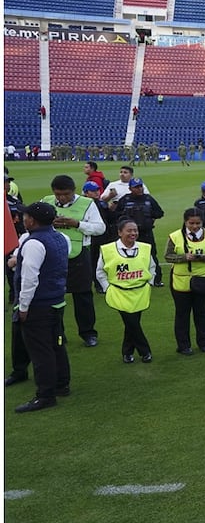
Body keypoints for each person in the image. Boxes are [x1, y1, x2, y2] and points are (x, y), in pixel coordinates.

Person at [8, 202, 71, 412]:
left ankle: (45, 395)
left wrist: (23, 307)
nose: (23, 219)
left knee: (40, 351)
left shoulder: (34, 243)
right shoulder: (62, 238)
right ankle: (62, 384)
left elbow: (29, 279)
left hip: (38, 305)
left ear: (32, 220)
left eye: (25, 217)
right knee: (56, 344)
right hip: (56, 300)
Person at [43, 175, 105, 345]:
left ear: (74, 191)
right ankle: (57, 334)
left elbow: (100, 228)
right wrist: (50, 223)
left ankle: (88, 333)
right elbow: (35, 223)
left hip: (79, 256)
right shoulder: (46, 201)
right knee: (53, 297)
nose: (62, 198)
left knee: (83, 296)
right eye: (58, 194)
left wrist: (77, 224)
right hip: (52, 256)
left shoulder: (87, 203)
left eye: (66, 194)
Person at [96, 218, 156, 364]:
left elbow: (152, 266)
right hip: (119, 292)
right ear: (119, 232)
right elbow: (100, 271)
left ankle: (127, 353)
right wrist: (107, 288)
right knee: (131, 322)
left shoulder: (145, 247)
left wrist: (149, 283)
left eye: (135, 230)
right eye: (129, 230)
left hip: (140, 291)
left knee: (132, 323)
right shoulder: (107, 249)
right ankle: (145, 351)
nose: (133, 233)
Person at [164, 208, 205, 356]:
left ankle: (203, 342)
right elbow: (168, 256)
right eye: (191, 223)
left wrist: (203, 258)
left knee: (202, 313)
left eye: (198, 223)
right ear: (185, 221)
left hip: (203, 280)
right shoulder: (175, 236)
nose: (194, 226)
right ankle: (183, 345)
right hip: (181, 281)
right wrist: (184, 257)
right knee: (182, 314)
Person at [113, 178, 165, 287]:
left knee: (151, 255)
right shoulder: (125, 199)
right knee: (127, 255)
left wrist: (149, 218)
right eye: (136, 187)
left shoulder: (148, 199)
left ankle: (156, 279)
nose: (139, 189)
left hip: (145, 232)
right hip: (129, 234)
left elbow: (159, 213)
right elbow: (116, 215)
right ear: (130, 188)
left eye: (140, 186)